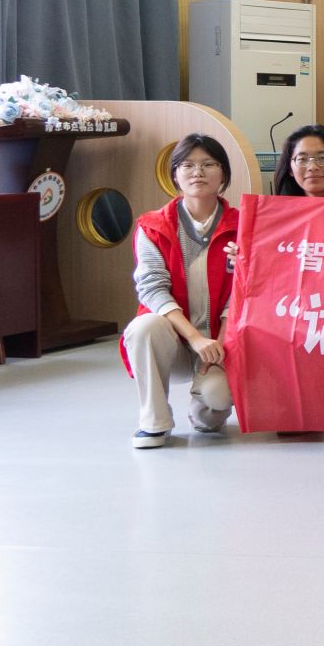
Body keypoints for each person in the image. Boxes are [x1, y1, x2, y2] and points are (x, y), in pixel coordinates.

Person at [123, 134, 240, 448]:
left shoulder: (244, 225)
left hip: (221, 341)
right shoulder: (152, 226)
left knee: (214, 409)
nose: (197, 172)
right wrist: (194, 338)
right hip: (175, 339)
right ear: (175, 175)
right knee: (143, 327)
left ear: (223, 174)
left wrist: (220, 341)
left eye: (208, 164)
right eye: (187, 165)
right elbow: (152, 288)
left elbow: (244, 290)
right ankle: (154, 422)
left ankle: (204, 408)